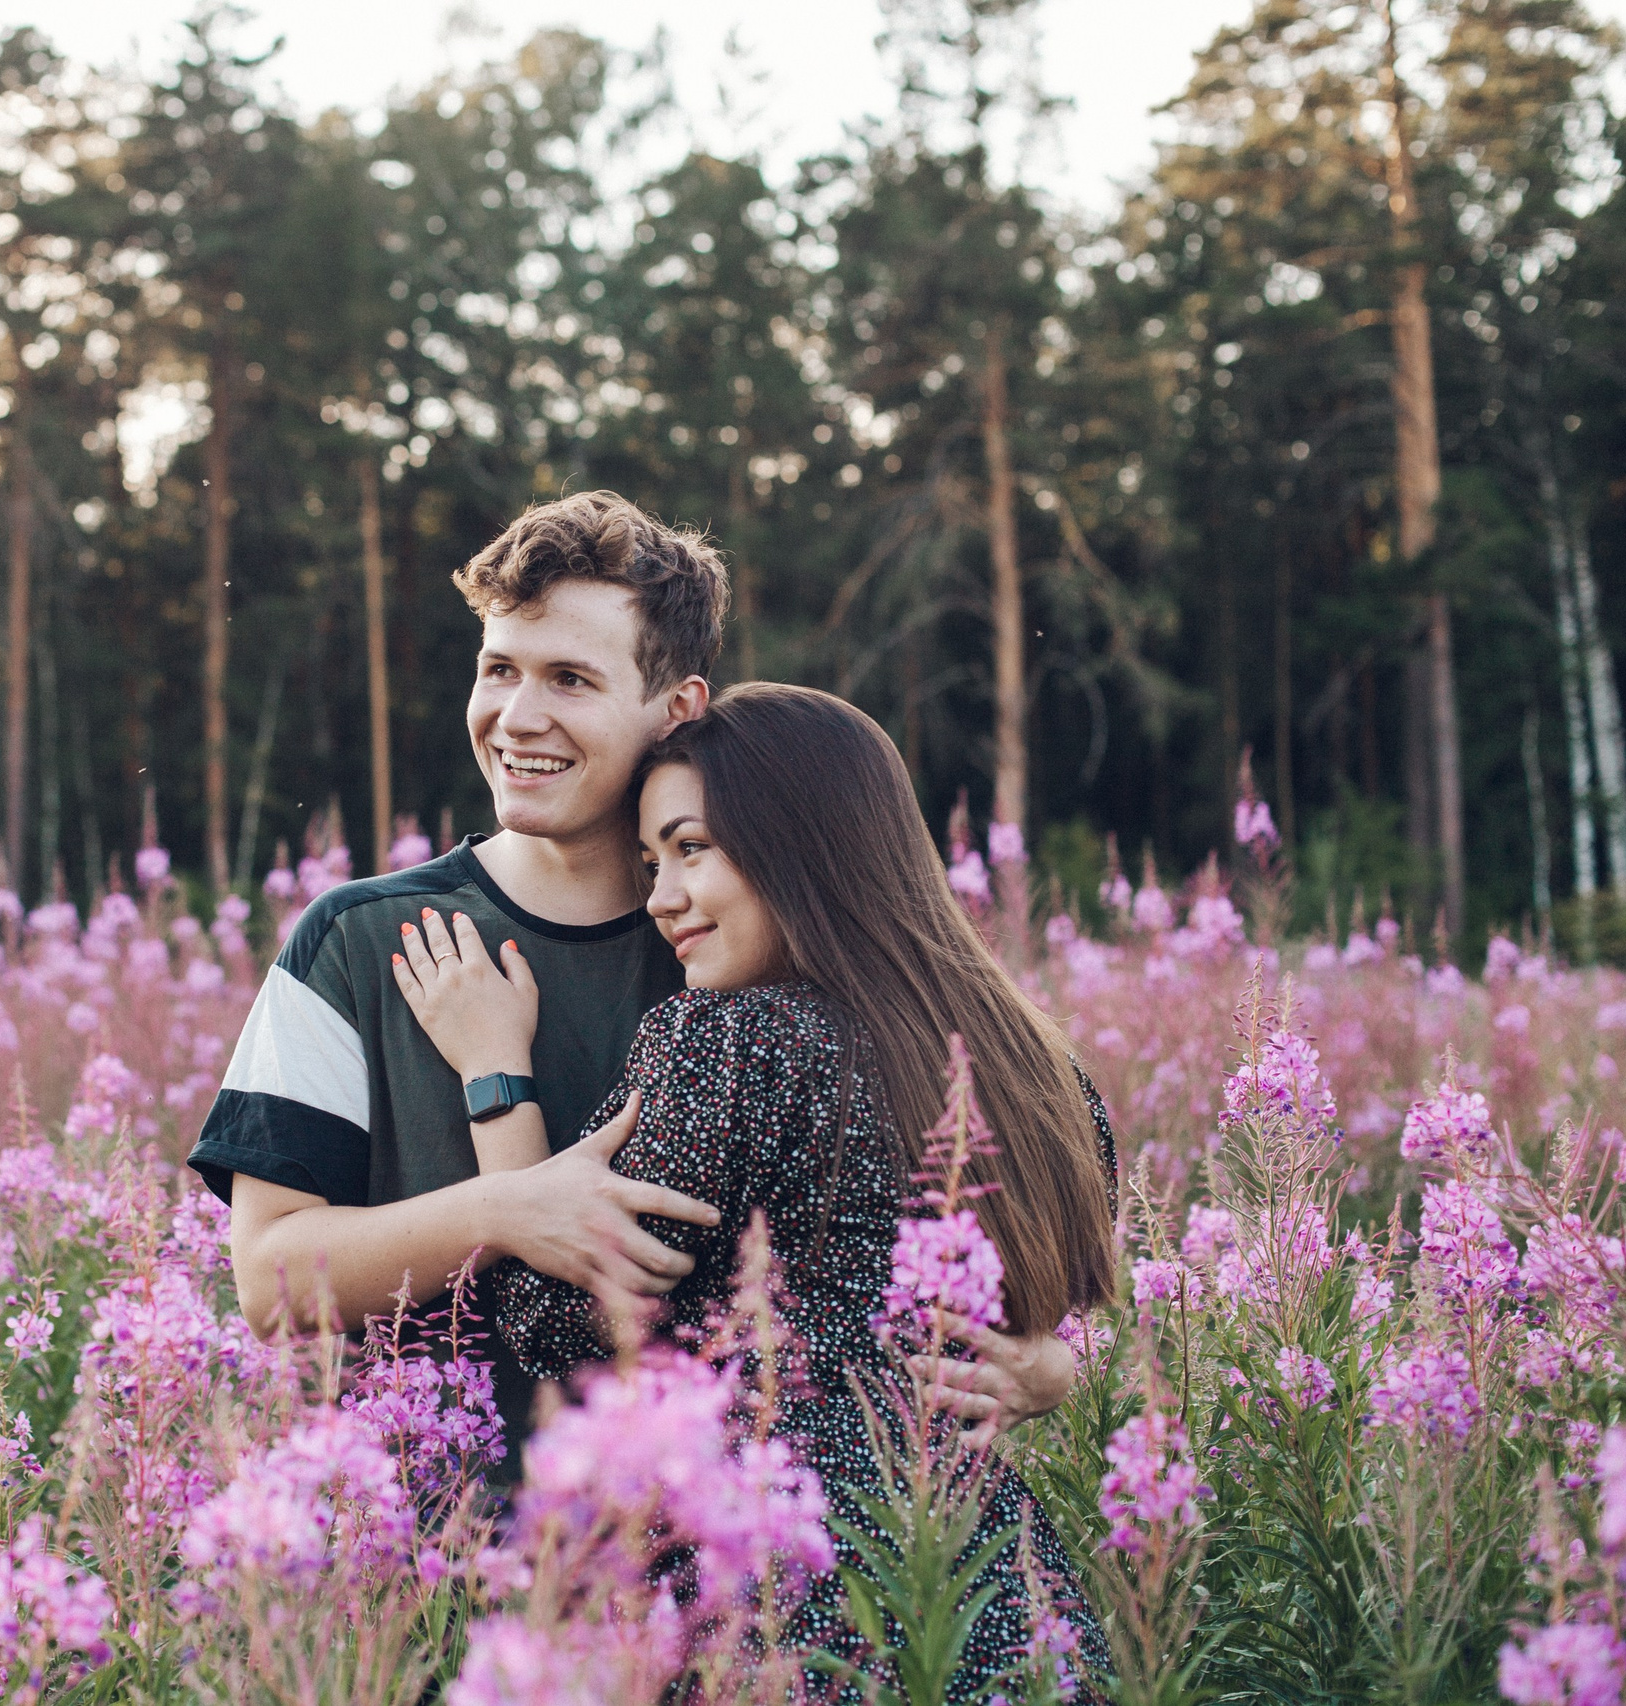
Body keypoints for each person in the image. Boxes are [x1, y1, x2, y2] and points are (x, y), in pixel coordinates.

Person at [187, 491, 1075, 1457]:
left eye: (570, 679)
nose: (518, 717)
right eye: (499, 669)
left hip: (718, 1530)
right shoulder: (357, 939)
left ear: (678, 706)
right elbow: (268, 1281)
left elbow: (932, 1212)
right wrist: (501, 1212)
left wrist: (1047, 1359)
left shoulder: (747, 943)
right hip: (439, 1531)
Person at [389, 681, 1118, 1694]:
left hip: (790, 1605)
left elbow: (559, 1320)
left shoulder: (731, 1040)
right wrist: (1055, 1365)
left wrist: (494, 1070)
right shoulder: (1040, 1069)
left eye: (691, 848)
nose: (660, 897)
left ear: (803, 845)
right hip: (1011, 1609)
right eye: (653, 863)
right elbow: (1060, 1310)